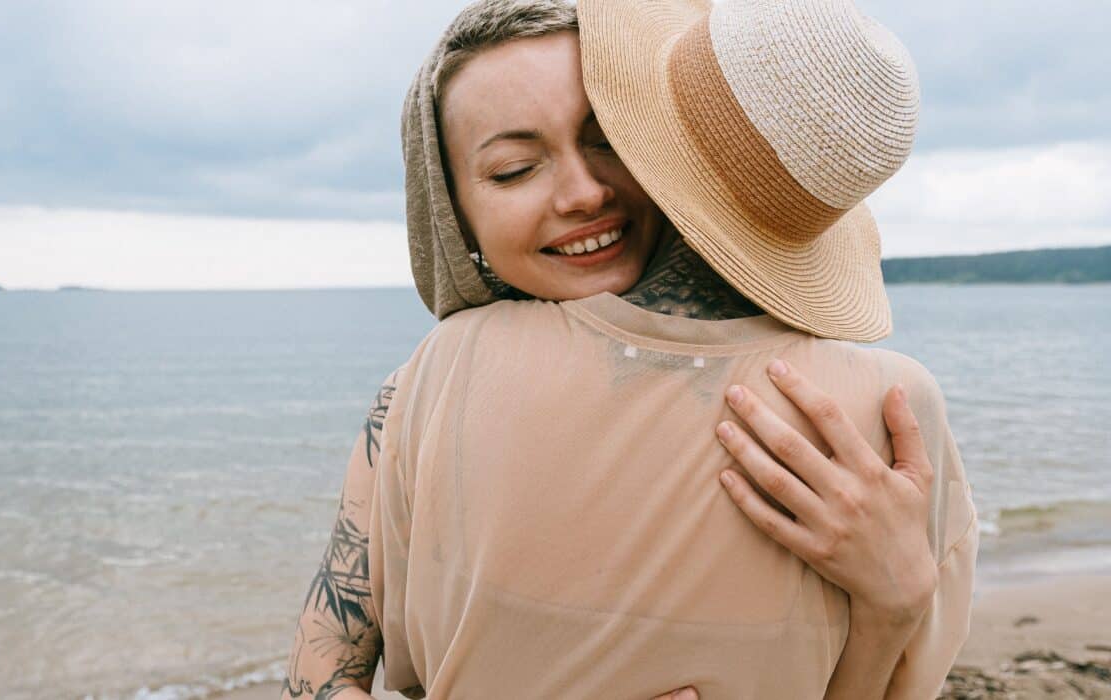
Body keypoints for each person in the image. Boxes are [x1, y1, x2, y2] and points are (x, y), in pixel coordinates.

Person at [281, 0, 978, 698]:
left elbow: (320, 668)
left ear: (658, 146)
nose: (583, 194)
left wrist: (897, 602)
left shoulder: (430, 380)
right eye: (515, 168)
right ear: (452, 207)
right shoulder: (430, 384)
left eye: (608, 138)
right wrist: (898, 606)